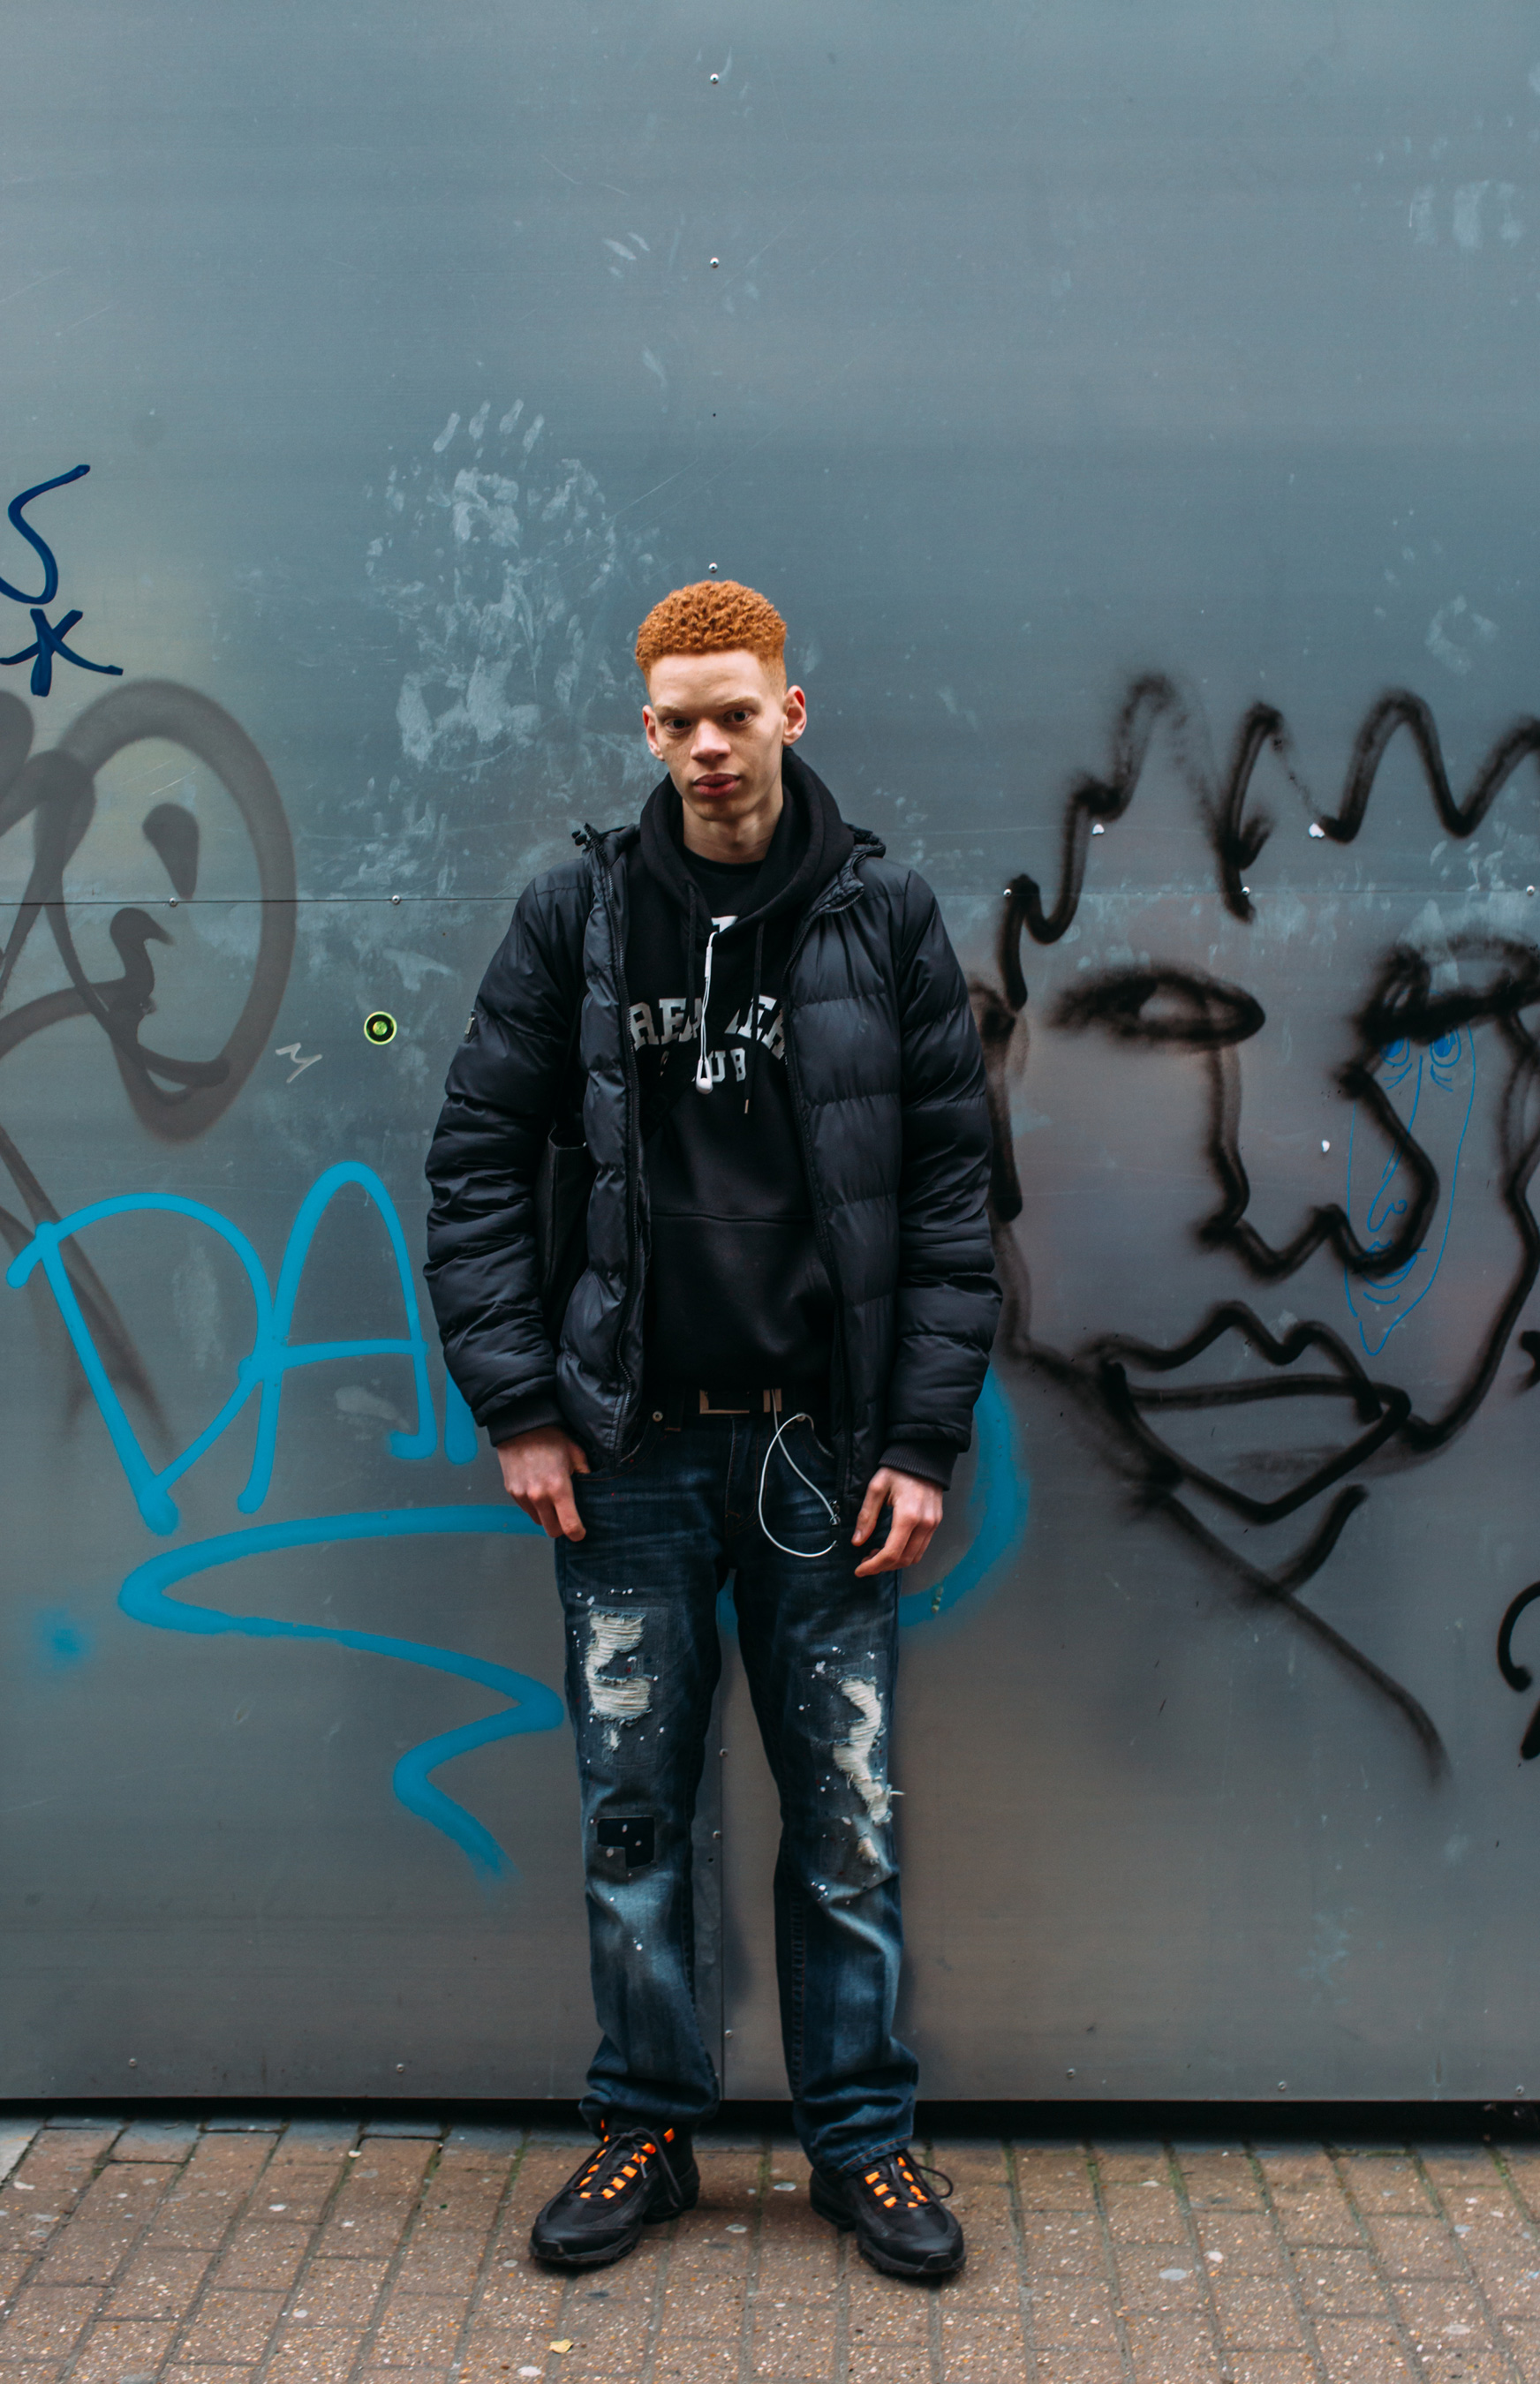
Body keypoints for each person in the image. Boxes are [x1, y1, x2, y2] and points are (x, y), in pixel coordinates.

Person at [425, 578, 999, 2279]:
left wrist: (921, 1440)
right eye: (677, 721)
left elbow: (953, 1196)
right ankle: (648, 2129)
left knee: (847, 1820)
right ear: (649, 729)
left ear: (789, 713)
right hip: (631, 1454)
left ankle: (862, 2144)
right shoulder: (579, 916)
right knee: (634, 1818)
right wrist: (521, 1406)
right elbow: (475, 1162)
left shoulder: (883, 916)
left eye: (735, 713)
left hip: (825, 1455)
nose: (707, 747)